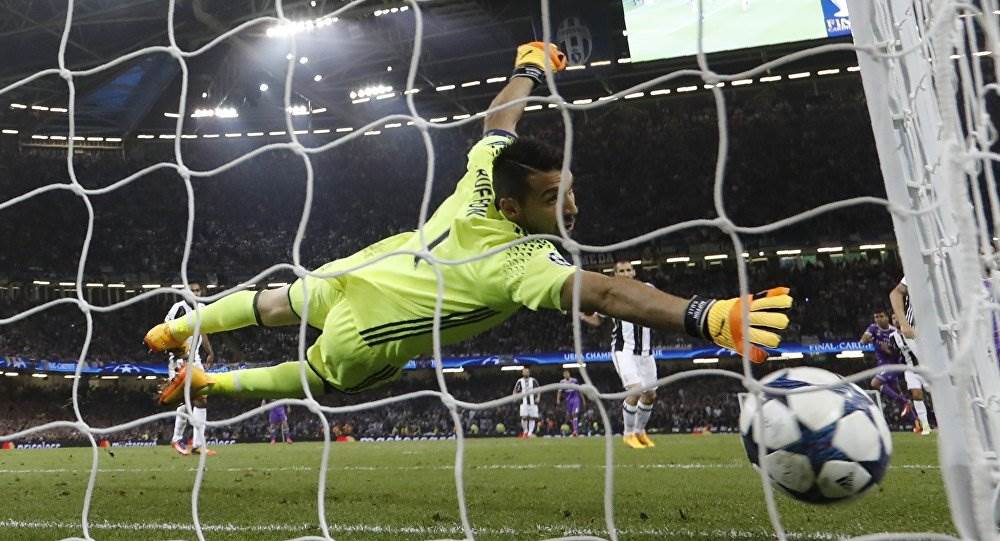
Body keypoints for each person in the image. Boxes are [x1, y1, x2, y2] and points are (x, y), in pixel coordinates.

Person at [145, 42, 793, 409]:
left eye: (569, 189)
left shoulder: (489, 173)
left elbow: (498, 121)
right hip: (374, 327)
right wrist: (705, 315)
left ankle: (180, 326)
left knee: (275, 302)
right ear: (513, 210)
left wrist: (529, 68)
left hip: (367, 266)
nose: (570, 207)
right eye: (553, 198)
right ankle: (209, 380)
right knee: (321, 376)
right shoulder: (520, 262)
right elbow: (604, 290)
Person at [581, 261, 658, 448]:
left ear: (634, 272)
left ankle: (640, 432)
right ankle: (628, 434)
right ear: (615, 274)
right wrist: (581, 315)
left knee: (650, 395)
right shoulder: (611, 296)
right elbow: (597, 320)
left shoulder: (647, 289)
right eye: (621, 271)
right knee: (635, 390)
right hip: (624, 351)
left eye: (628, 270)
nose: (625, 273)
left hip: (646, 352)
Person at [163, 282, 216, 456]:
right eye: (191, 290)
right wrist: (180, 354)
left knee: (201, 399)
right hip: (180, 360)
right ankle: (178, 439)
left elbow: (202, 331)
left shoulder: (202, 308)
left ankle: (196, 444)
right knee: (188, 400)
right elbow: (166, 333)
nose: (194, 293)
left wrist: (210, 352)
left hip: (196, 358)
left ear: (202, 292)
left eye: (197, 290)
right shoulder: (178, 308)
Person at [860, 310, 913, 425]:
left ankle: (905, 401)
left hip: (893, 364)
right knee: (897, 391)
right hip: (882, 364)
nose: (878, 319)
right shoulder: (873, 328)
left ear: (886, 318)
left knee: (875, 383)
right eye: (876, 317)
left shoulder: (893, 332)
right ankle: (916, 421)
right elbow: (862, 342)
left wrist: (887, 350)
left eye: (881, 316)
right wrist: (867, 339)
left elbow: (897, 352)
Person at [555, 369, 585, 437]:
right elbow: (559, 391)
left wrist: (583, 399)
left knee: (574, 414)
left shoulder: (574, 380)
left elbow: (579, 390)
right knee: (569, 416)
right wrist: (558, 400)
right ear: (563, 375)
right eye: (565, 374)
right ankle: (574, 430)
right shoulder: (562, 382)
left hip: (576, 399)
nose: (566, 375)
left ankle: (575, 431)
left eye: (567, 373)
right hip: (568, 400)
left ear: (569, 374)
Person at [512, 367, 540, 438]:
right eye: (525, 372)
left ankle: (530, 433)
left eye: (527, 372)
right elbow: (515, 390)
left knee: (532, 417)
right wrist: (514, 397)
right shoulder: (520, 381)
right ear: (522, 373)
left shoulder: (533, 380)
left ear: (529, 373)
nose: (526, 373)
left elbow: (539, 390)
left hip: (533, 402)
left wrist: (538, 398)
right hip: (523, 402)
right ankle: (525, 431)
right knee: (524, 417)